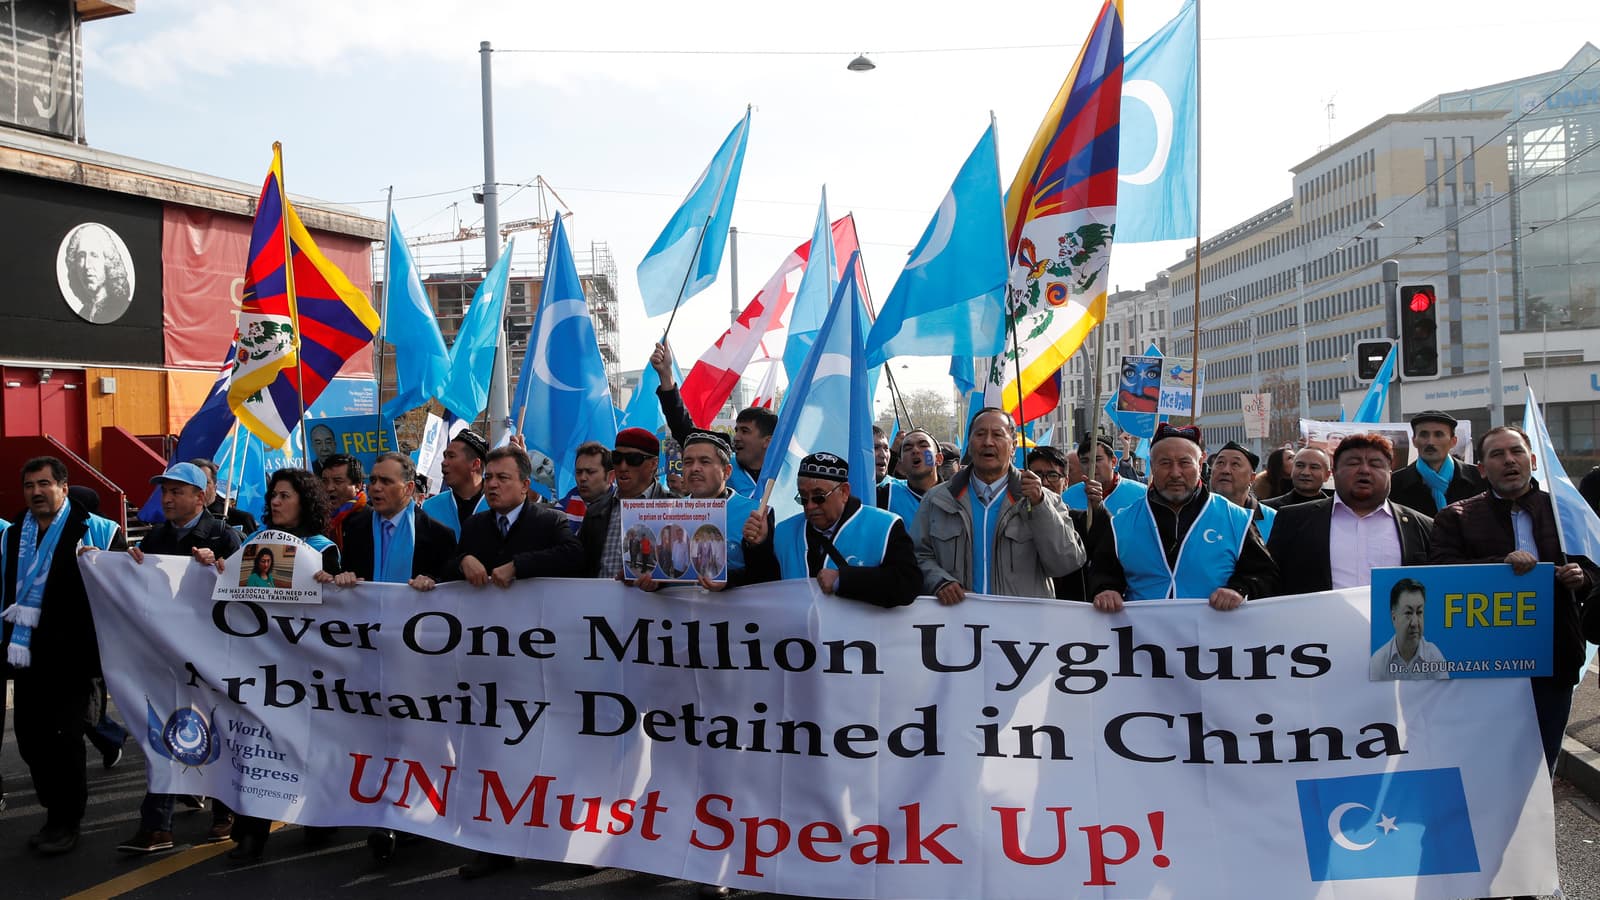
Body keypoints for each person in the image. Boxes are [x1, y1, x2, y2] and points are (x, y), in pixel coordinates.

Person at [450, 445, 584, 881]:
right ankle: (493, 844)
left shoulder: (550, 520)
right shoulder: (474, 525)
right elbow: (449, 567)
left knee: (546, 755)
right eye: (488, 477)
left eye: (501, 478)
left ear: (526, 485)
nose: (491, 485)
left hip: (541, 666)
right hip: (489, 668)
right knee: (490, 756)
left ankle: (555, 842)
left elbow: (573, 557)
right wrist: (463, 558)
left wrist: (519, 566)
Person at [1430, 425, 1596, 772]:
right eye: (1497, 454)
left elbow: (1594, 570)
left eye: (1517, 452)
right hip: (1482, 666)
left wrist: (1581, 579)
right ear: (1481, 469)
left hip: (1554, 658)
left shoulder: (1566, 512)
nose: (1509, 461)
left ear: (1532, 460)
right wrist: (1499, 566)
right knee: (1483, 766)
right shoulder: (1456, 517)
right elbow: (1440, 575)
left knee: (1540, 763)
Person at [315, 452, 456, 861]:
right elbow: (348, 577)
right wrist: (339, 579)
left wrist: (437, 582)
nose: (374, 488)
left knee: (416, 737)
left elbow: (455, 590)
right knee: (379, 736)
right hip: (369, 652)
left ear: (409, 490)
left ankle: (416, 812)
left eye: (385, 482)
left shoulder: (439, 535)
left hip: (420, 658)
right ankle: (388, 817)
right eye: (373, 480)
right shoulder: (355, 527)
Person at [0, 457, 127, 855]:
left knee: (64, 740)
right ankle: (55, 808)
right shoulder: (13, 533)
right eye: (29, 486)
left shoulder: (101, 531)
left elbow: (128, 588)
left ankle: (66, 821)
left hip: (78, 659)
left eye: (44, 484)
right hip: (27, 656)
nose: (36, 492)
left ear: (64, 487)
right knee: (30, 741)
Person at [119, 462, 241, 854]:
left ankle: (226, 810)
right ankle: (157, 825)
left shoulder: (225, 536)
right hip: (169, 657)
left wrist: (220, 567)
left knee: (219, 731)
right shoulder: (154, 539)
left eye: (176, 491)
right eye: (164, 492)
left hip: (215, 657)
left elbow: (247, 595)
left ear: (200, 496)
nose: (167, 499)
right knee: (166, 732)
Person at [229, 467, 341, 864]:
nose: (275, 502)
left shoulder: (322, 548)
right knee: (255, 746)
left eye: (284, 496)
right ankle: (249, 832)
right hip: (259, 664)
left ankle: (320, 817)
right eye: (273, 495)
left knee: (307, 746)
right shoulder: (254, 544)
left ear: (304, 502)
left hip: (304, 668)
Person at [1087, 424, 1278, 610]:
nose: (1175, 473)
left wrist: (1239, 589)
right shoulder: (1121, 523)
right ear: (1152, 466)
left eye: (1184, 463)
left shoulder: (1236, 519)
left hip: (1216, 636)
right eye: (1165, 463)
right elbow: (1102, 572)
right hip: (1143, 638)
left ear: (1200, 463)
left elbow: (1264, 574)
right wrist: (1106, 589)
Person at [912, 408, 1085, 602]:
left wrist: (1040, 506)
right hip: (958, 624)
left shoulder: (1046, 500)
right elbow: (918, 555)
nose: (988, 442)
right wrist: (940, 582)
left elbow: (1066, 562)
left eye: (997, 434)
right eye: (980, 434)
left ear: (1013, 446)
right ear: (969, 444)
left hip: (1021, 627)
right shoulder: (938, 499)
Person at [742, 452, 921, 607]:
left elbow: (908, 584)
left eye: (819, 497)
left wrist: (844, 579)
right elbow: (764, 585)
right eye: (803, 498)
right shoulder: (784, 531)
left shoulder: (885, 525)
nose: (810, 506)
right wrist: (758, 547)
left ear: (844, 492)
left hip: (860, 642)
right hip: (799, 642)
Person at [1266, 433, 1433, 595]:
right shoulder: (1293, 520)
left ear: (1390, 474)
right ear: (1334, 472)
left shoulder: (1423, 526)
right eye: (1353, 463)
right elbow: (1268, 579)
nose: (1364, 470)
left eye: (1375, 464)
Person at [637, 431, 771, 593]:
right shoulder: (667, 513)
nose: (694, 469)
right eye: (688, 462)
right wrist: (653, 582)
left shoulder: (756, 513)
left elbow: (770, 579)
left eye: (705, 462)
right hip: (676, 616)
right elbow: (663, 570)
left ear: (727, 472)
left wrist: (757, 549)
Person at [650, 340, 776, 497]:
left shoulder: (784, 474)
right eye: (736, 430)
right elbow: (681, 427)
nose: (736, 437)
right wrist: (666, 375)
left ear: (768, 441)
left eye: (745, 431)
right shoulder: (722, 463)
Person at [580, 427, 671, 578]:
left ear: (654, 463)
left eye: (633, 459)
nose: (623, 467)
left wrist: (658, 582)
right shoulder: (595, 510)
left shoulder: (674, 509)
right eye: (616, 458)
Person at [1025, 446, 1110, 603]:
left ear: (1066, 482)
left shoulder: (1082, 521)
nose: (1043, 483)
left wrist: (1098, 509)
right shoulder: (1017, 522)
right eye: (1036, 475)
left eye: (1052, 475)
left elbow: (1105, 551)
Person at [1388, 410, 1486, 516]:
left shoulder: (1479, 478)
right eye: (1423, 435)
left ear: (1453, 441)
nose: (1430, 442)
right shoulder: (1394, 485)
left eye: (1438, 435)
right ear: (1414, 441)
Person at [1368, 578, 1449, 681]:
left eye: (1419, 612)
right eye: (1408, 613)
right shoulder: (1379, 661)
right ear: (1394, 617)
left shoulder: (1434, 657)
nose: (1415, 623)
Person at [420, 429, 490, 538]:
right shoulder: (430, 508)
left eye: (451, 456)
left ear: (475, 464)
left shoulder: (499, 506)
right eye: (445, 456)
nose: (444, 462)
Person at [61, 223, 133, 324]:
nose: (86, 265)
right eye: (81, 256)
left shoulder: (120, 309)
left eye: (94, 255)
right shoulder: (84, 313)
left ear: (108, 262)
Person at [1062, 434, 1148, 516]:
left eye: (1098, 459)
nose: (1091, 466)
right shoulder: (1067, 498)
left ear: (1113, 462)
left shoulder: (1141, 494)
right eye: (1085, 461)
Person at [1208, 441, 1276, 540]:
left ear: (1252, 478)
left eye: (1235, 464)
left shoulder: (1272, 519)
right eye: (1220, 463)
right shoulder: (1197, 514)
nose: (1225, 470)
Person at [879, 428, 943, 523]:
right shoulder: (885, 495)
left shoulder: (957, 495)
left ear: (939, 459)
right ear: (901, 463)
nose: (915, 450)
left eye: (923, 445)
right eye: (908, 448)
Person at [190, 457, 258, 534]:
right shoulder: (177, 519)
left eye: (206, 482)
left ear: (215, 488)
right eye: (194, 483)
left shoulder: (241, 519)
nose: (200, 487)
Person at [562, 441, 615, 533]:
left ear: (610, 476)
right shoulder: (562, 508)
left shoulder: (625, 507)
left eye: (590, 472)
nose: (582, 478)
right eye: (578, 472)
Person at [321, 453, 367, 549]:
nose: (329, 488)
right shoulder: (318, 519)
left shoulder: (371, 519)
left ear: (358, 486)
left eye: (338, 481)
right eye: (325, 481)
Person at [1262, 446, 1332, 509]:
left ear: (1327, 475)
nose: (1305, 472)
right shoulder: (1267, 509)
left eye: (1314, 467)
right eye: (1300, 465)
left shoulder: (1335, 510)